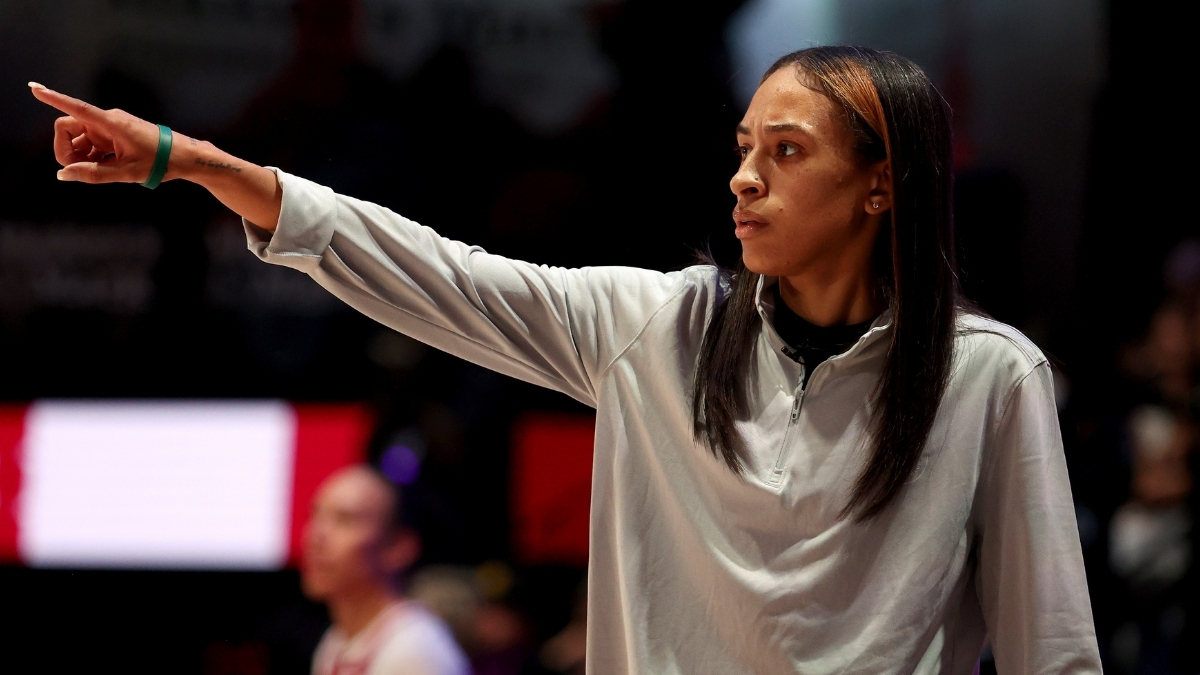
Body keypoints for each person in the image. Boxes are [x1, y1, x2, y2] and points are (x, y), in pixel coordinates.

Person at [29, 45, 1101, 673]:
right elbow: (434, 272)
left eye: (786, 153)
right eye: (741, 151)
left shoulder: (988, 377)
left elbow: (1053, 653)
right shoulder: (657, 327)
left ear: (883, 187)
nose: (744, 181)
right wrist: (197, 164)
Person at [302, 465, 469, 675]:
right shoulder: (335, 641)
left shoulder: (415, 650)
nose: (316, 536)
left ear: (398, 547)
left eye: (344, 520)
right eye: (315, 515)